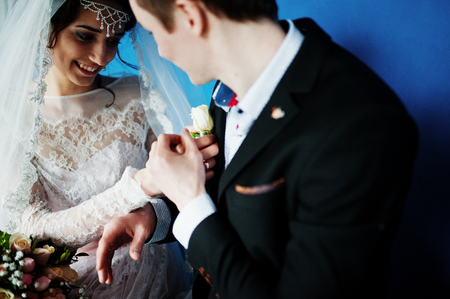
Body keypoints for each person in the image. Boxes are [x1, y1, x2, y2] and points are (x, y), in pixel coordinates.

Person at [97, 0, 419, 298]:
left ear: (191, 15)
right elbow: (229, 199)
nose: (161, 51)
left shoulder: (360, 128)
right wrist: (154, 218)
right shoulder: (232, 80)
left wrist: (188, 199)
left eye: (153, 32)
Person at [0, 0, 218, 298]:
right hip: (72, 287)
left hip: (156, 276)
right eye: (85, 36)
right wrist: (140, 185)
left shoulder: (136, 94)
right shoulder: (8, 113)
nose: (100, 56)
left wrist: (194, 164)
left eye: (113, 41)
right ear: (45, 27)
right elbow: (32, 229)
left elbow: (177, 191)